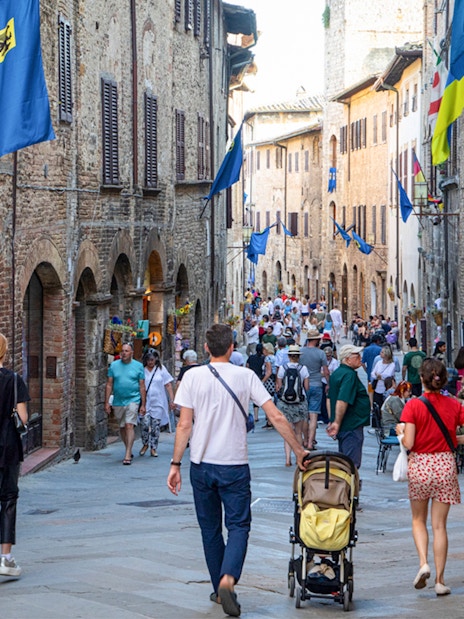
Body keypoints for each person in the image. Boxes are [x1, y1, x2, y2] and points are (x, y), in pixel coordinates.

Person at [167, 324, 308, 618]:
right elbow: (275, 415)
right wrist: (298, 449)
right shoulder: (246, 376)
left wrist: (175, 464)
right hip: (234, 466)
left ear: (206, 348)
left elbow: (184, 425)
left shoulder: (192, 376)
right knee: (239, 526)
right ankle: (228, 579)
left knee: (210, 530)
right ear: (232, 348)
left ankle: (220, 588)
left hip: (201, 466)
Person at [398, 358, 464, 596]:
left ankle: (423, 563)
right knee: (440, 526)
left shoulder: (413, 406)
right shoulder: (454, 405)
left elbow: (410, 443)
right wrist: (455, 440)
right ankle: (439, 580)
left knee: (418, 520)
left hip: (421, 466)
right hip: (445, 464)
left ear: (422, 379)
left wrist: (401, 432)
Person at [0, 333, 30, 578]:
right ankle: (6, 558)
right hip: (7, 446)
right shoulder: (13, 380)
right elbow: (24, 418)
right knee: (8, 498)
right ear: (5, 352)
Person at [327, 345, 371, 469]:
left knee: (344, 460)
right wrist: (336, 422)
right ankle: (349, 487)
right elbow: (342, 400)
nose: (360, 358)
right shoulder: (349, 375)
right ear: (347, 359)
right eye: (356, 356)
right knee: (350, 464)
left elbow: (329, 398)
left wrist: (333, 420)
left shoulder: (337, 373)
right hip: (351, 424)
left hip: (346, 424)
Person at [105, 342, 146, 465]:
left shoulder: (138, 366)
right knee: (122, 427)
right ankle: (128, 446)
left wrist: (143, 404)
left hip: (133, 399)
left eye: (126, 351)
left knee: (129, 425)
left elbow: (142, 386)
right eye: (122, 351)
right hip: (118, 400)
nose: (123, 353)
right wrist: (106, 402)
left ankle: (128, 453)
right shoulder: (114, 366)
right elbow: (109, 384)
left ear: (132, 353)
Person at [275, 344, 310, 466]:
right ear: (298, 357)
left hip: (285, 403)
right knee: (298, 432)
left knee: (287, 431)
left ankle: (287, 459)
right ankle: (298, 456)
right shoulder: (303, 369)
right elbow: (306, 387)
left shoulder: (282, 368)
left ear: (289, 356)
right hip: (299, 403)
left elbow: (278, 386)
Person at [139, 350, 175, 457]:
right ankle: (145, 443)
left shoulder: (161, 369)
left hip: (158, 402)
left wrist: (171, 400)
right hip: (146, 402)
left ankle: (153, 447)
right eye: (148, 360)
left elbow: (168, 385)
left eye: (152, 360)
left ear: (156, 360)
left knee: (155, 426)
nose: (150, 362)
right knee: (144, 424)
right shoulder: (142, 371)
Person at [299, 329, 329, 450]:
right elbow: (326, 371)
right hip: (317, 384)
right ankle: (311, 442)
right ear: (316, 340)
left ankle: (305, 440)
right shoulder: (321, 353)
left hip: (303, 386)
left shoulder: (301, 352)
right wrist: (328, 384)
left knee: (305, 415)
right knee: (314, 415)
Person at [246, 343, 265, 422]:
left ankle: (256, 416)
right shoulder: (264, 358)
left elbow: (247, 366)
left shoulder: (251, 357)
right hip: (261, 378)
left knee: (254, 397)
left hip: (252, 378)